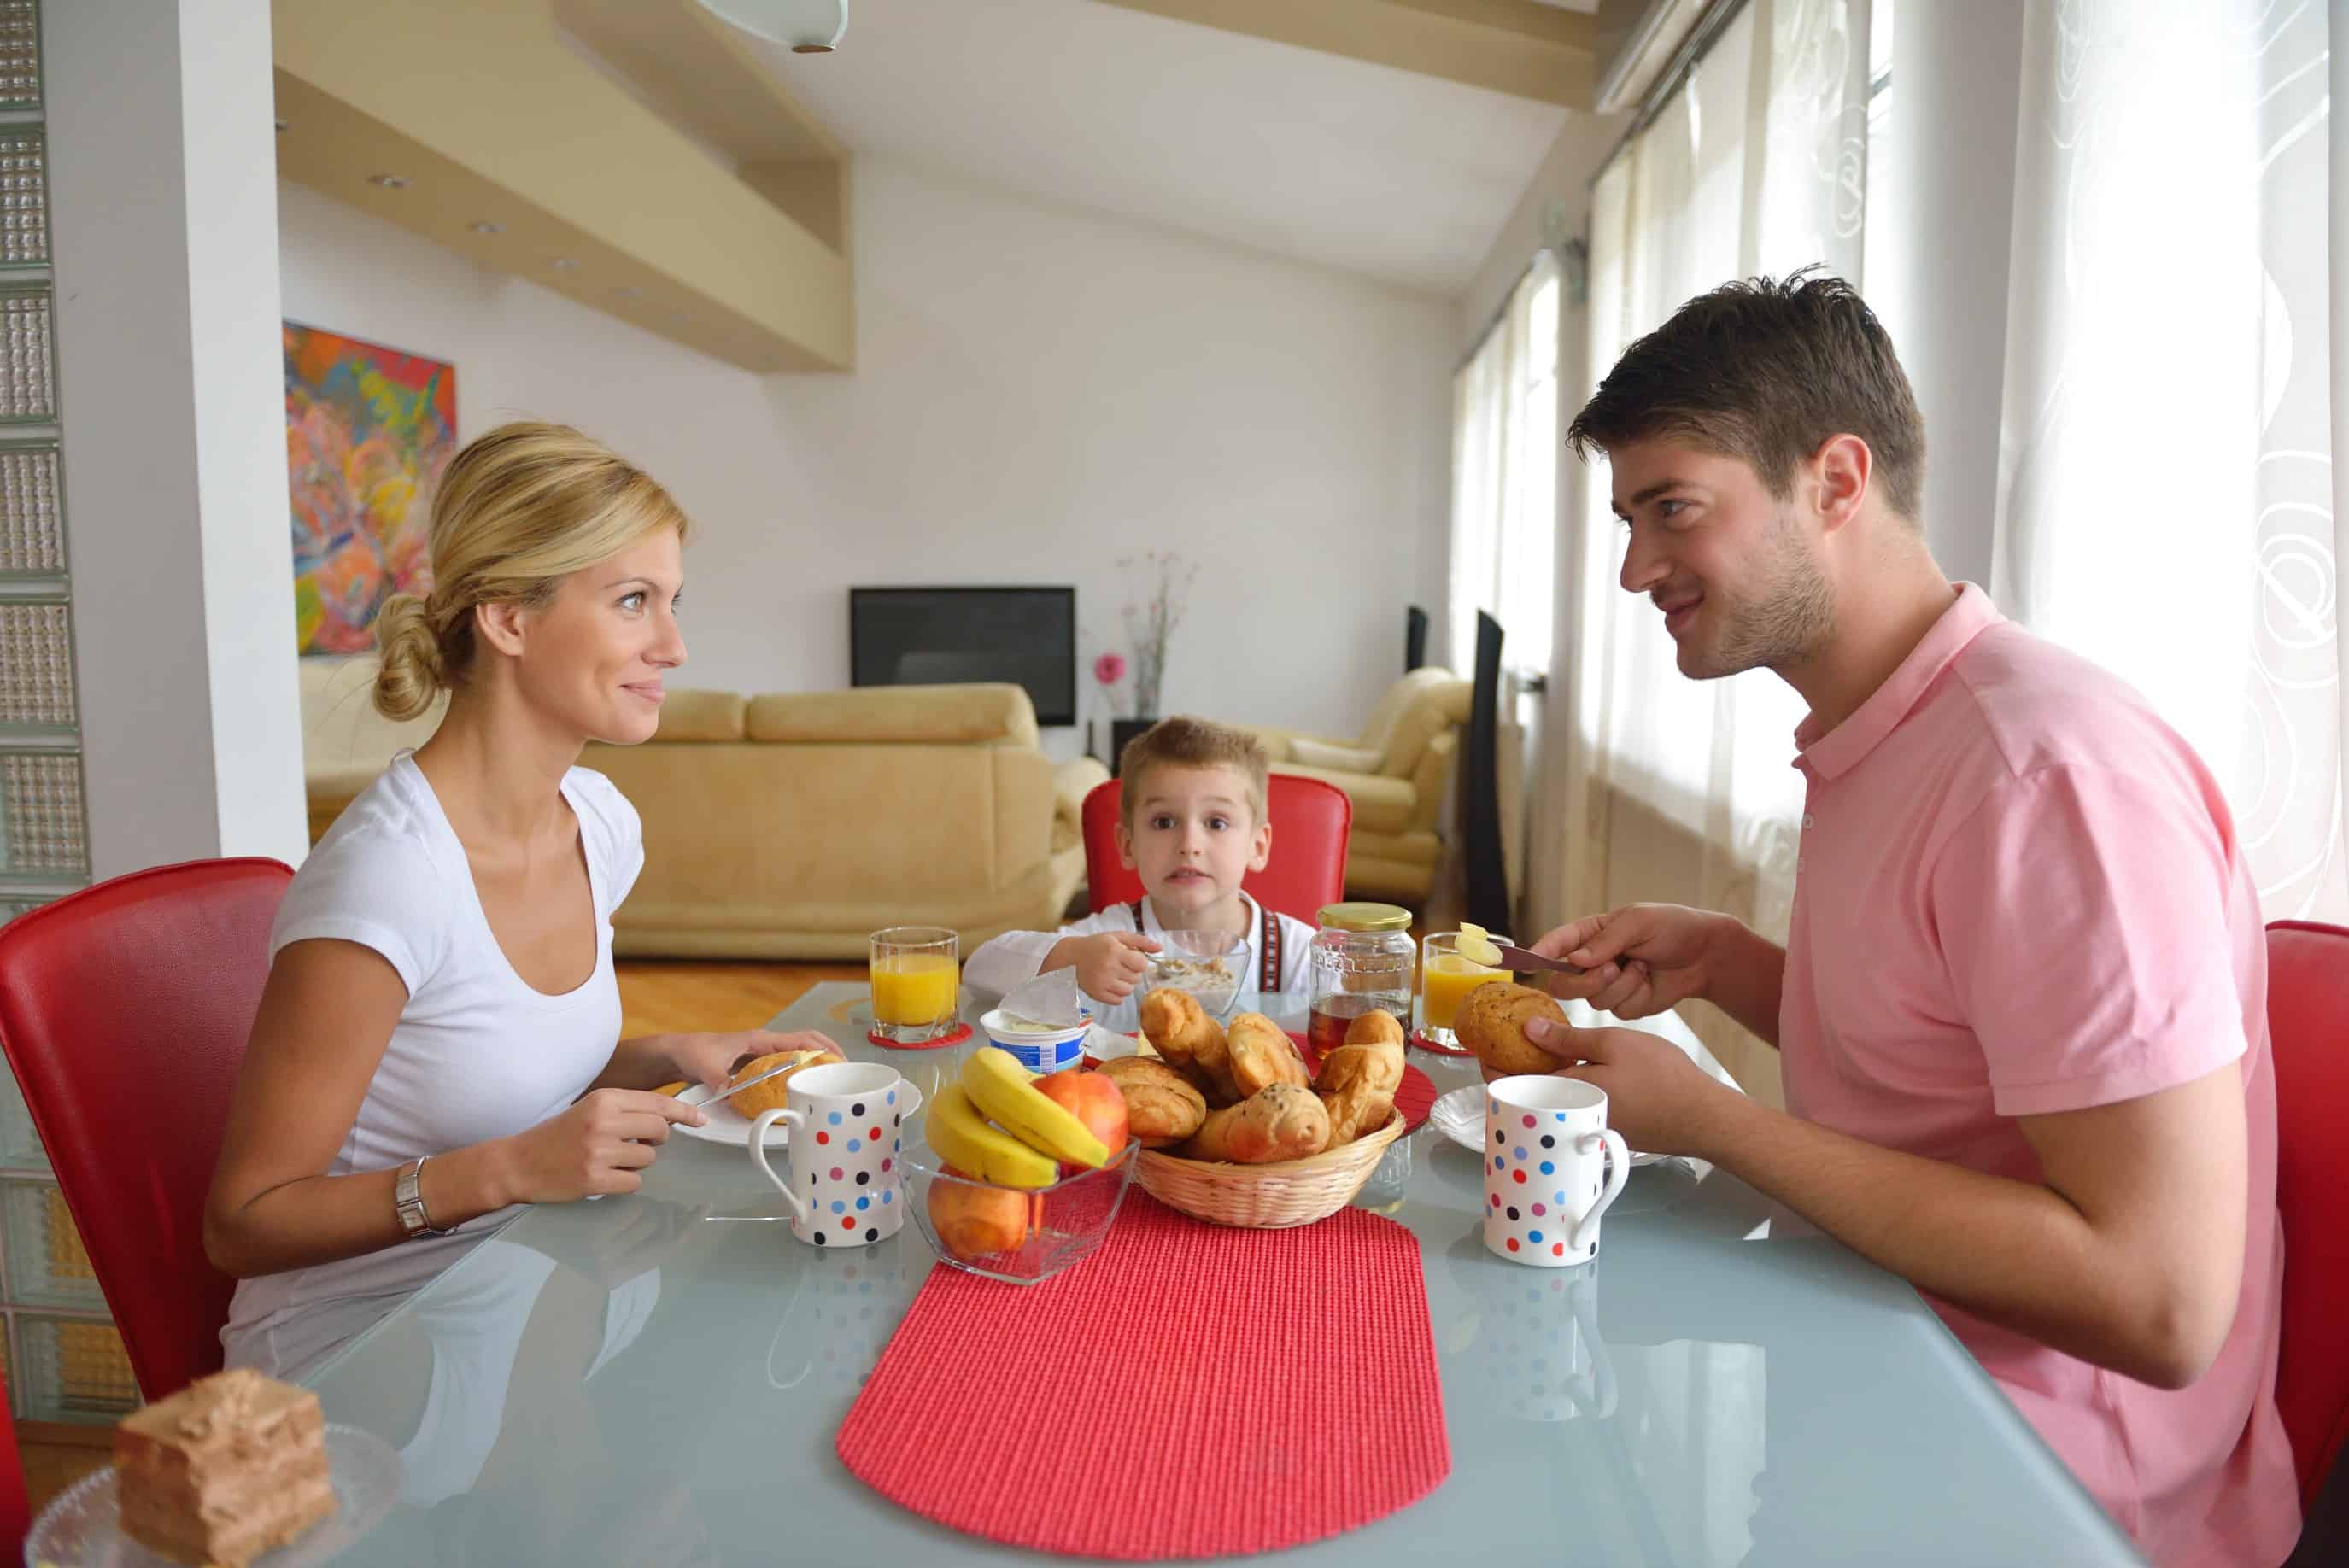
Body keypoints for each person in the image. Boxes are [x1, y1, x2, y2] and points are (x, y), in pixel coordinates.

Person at [1519, 273, 2297, 1566]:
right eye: (1629, 517)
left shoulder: (2043, 778)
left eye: (1672, 511)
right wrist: (1726, 963)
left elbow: (2156, 1302)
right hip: (1883, 1384)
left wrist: (1717, 1121)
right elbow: (1951, 1071)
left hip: (2046, 1496)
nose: (1634, 568)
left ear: (1834, 481)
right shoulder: (1887, 733)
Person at [206, 421, 837, 1382]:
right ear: (507, 620)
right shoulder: (388, 880)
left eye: (670, 603)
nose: (672, 645)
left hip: (535, 1277)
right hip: (366, 1349)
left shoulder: (598, 818)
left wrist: (668, 1055)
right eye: (634, 602)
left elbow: (494, 1068)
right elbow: (243, 1225)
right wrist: (505, 1172)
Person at [964, 717, 1314, 1011]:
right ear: (1127, 845)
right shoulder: (1109, 941)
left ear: (1258, 846)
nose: (1189, 845)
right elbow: (980, 970)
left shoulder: (1297, 954)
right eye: (1164, 822)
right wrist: (1072, 960)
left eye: (1216, 823)